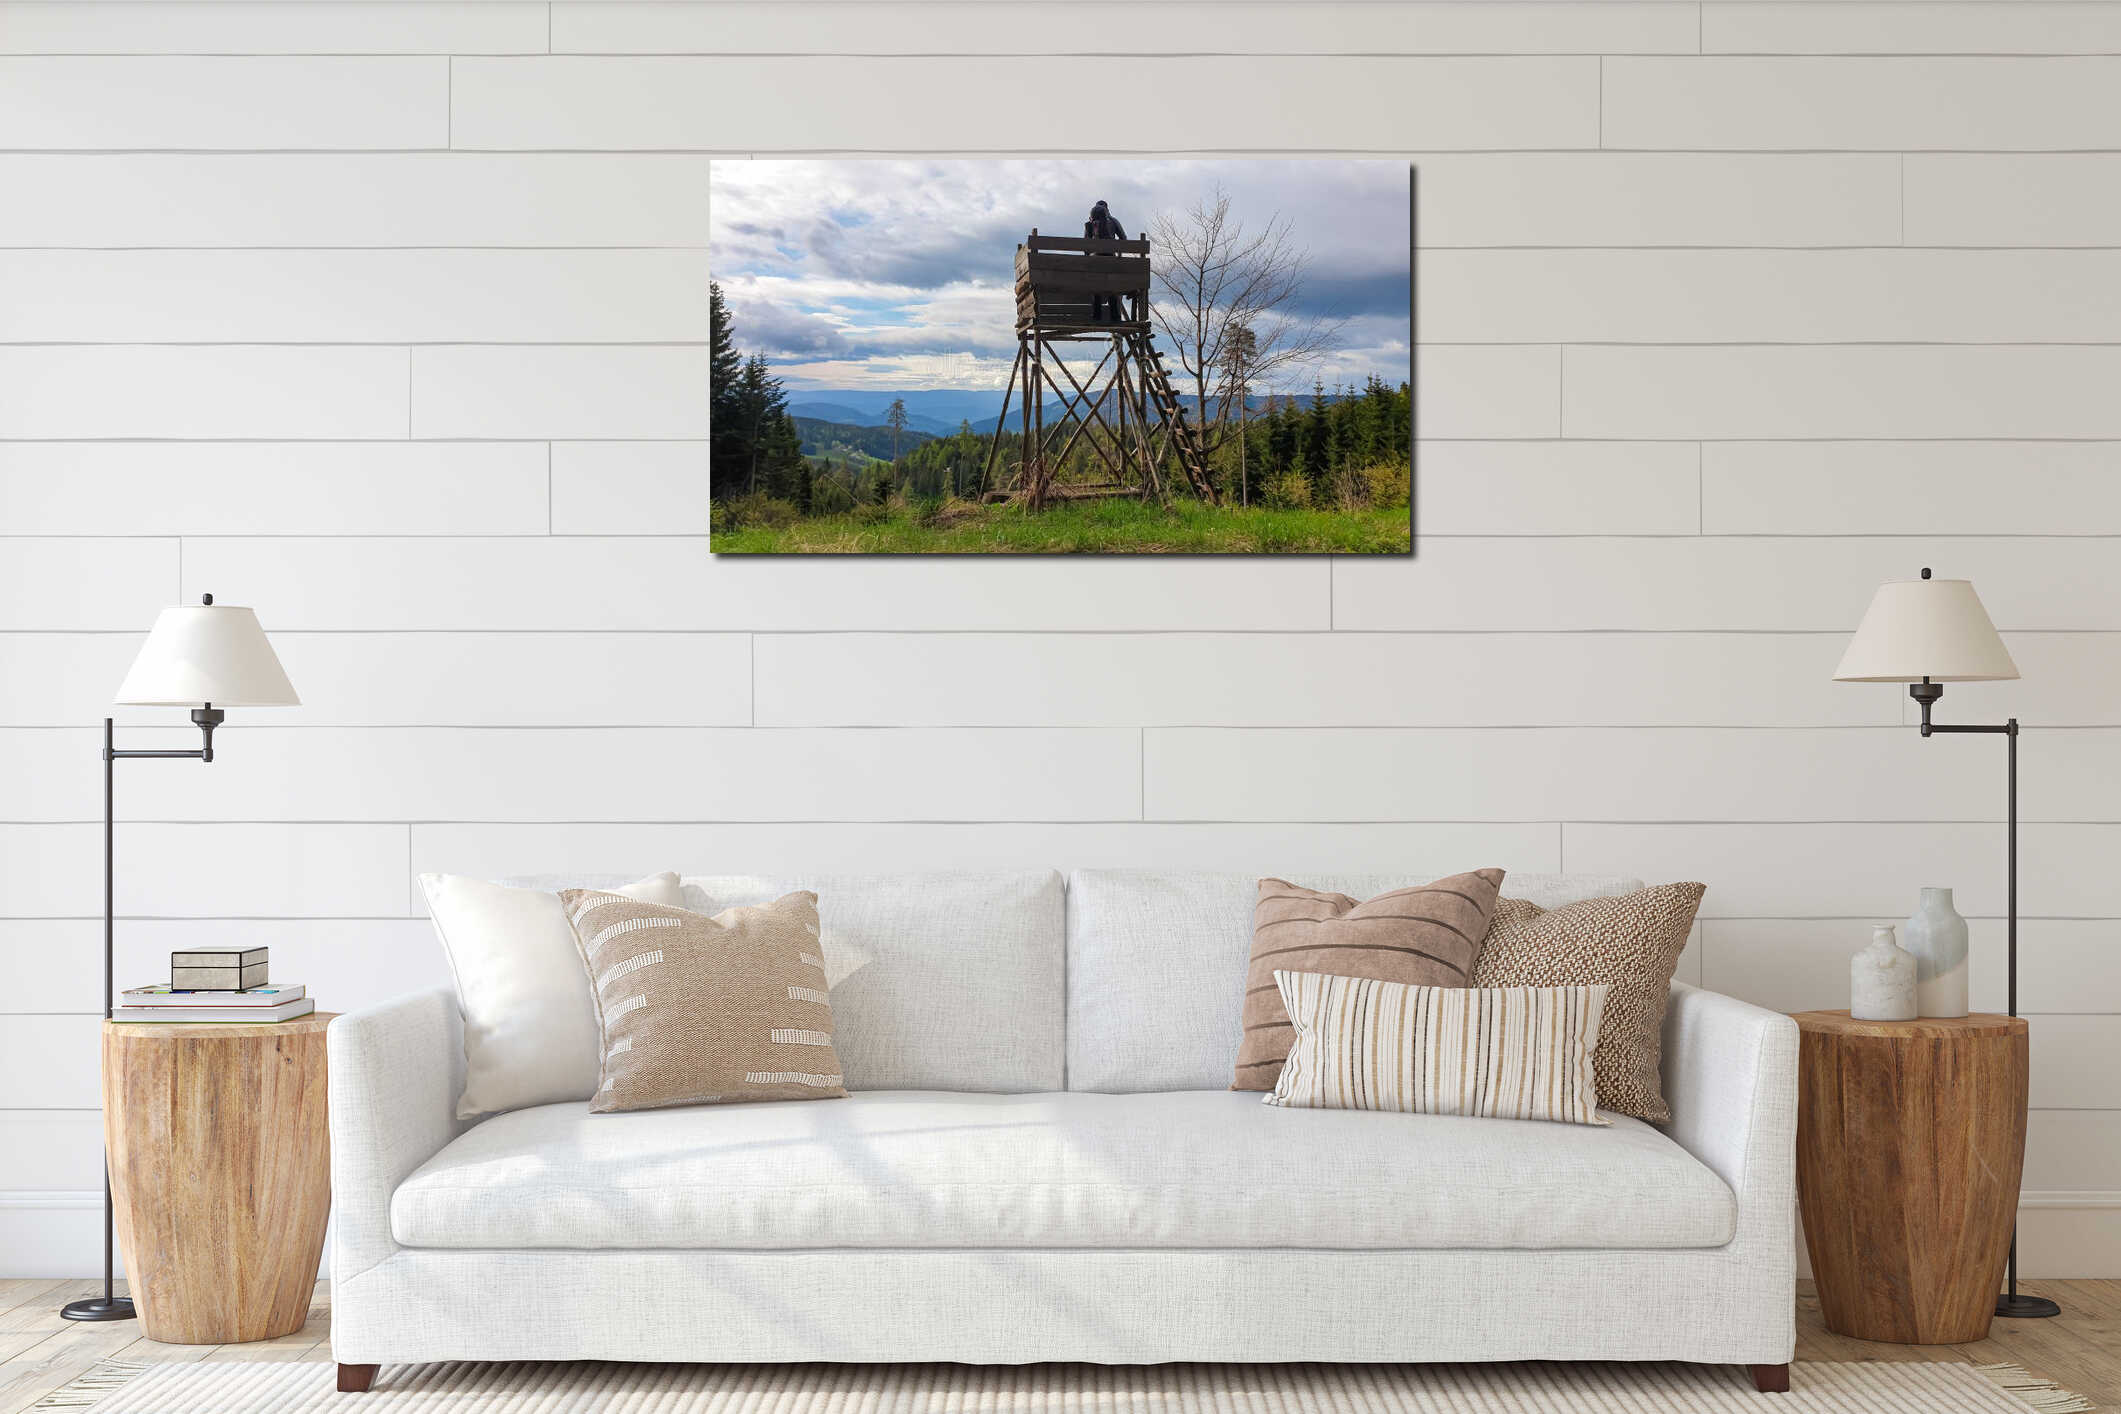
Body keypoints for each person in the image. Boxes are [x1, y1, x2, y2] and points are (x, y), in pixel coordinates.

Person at [1084, 199, 1127, 323]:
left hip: (1094, 263)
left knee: (1095, 286)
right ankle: (1115, 317)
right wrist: (1118, 254)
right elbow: (1124, 239)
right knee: (1113, 287)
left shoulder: (1089, 224)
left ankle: (1096, 316)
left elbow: (1085, 247)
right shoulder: (1113, 221)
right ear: (1107, 209)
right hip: (1111, 261)